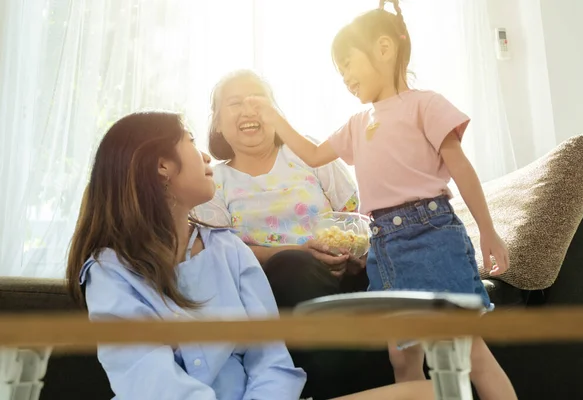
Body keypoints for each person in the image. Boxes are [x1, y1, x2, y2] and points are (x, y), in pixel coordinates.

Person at [242, 1, 518, 399]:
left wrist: (489, 232)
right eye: (340, 72)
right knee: (401, 356)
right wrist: (274, 116)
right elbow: (314, 153)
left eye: (349, 64)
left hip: (431, 237)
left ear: (385, 49)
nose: (345, 78)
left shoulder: (426, 104)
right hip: (384, 245)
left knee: (469, 351)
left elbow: (462, 170)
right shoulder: (357, 124)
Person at [65, 111, 434, 400]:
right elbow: (148, 379)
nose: (205, 154)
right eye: (191, 142)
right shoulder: (110, 271)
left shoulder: (228, 248)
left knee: (429, 392)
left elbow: (272, 361)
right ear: (162, 165)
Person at [195, 69, 397, 399]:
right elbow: (222, 251)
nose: (249, 110)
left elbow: (355, 216)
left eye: (258, 100)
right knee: (293, 265)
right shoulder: (212, 182)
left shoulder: (309, 153)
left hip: (347, 275)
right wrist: (301, 255)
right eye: (235, 103)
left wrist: (356, 252)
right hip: (279, 289)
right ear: (217, 122)